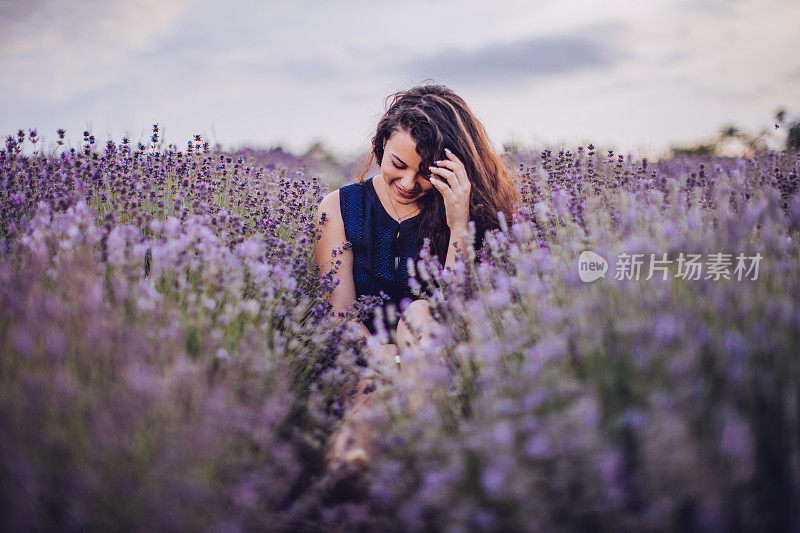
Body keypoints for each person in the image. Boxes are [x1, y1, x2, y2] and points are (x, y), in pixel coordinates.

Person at [314, 83, 519, 468]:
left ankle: (361, 470)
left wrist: (459, 224)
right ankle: (396, 469)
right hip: (361, 354)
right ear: (380, 149)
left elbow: (456, 311)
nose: (409, 183)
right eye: (397, 164)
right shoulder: (341, 208)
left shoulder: (467, 213)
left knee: (421, 315)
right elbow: (340, 319)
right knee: (370, 375)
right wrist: (386, 360)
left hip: (433, 361)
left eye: (425, 172)